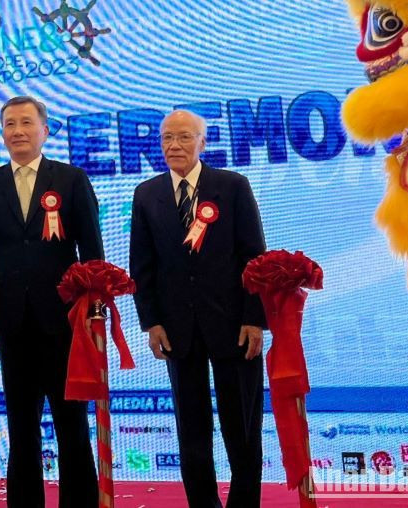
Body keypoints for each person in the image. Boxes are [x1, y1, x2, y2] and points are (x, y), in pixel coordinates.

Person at [0, 96, 103, 507]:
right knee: (21, 426)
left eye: (26, 122)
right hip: (12, 321)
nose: (18, 131)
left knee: (71, 423)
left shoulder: (71, 179)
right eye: (10, 124)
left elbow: (91, 251)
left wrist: (95, 310)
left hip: (65, 319)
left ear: (45, 130)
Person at [129, 109, 267, 507]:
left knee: (242, 429)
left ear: (202, 142)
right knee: (192, 432)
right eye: (167, 138)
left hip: (233, 326)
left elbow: (254, 257)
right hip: (177, 330)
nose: (174, 145)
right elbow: (142, 265)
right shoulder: (146, 194)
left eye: (184, 137)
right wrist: (151, 321)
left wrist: (254, 319)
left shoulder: (232, 186)